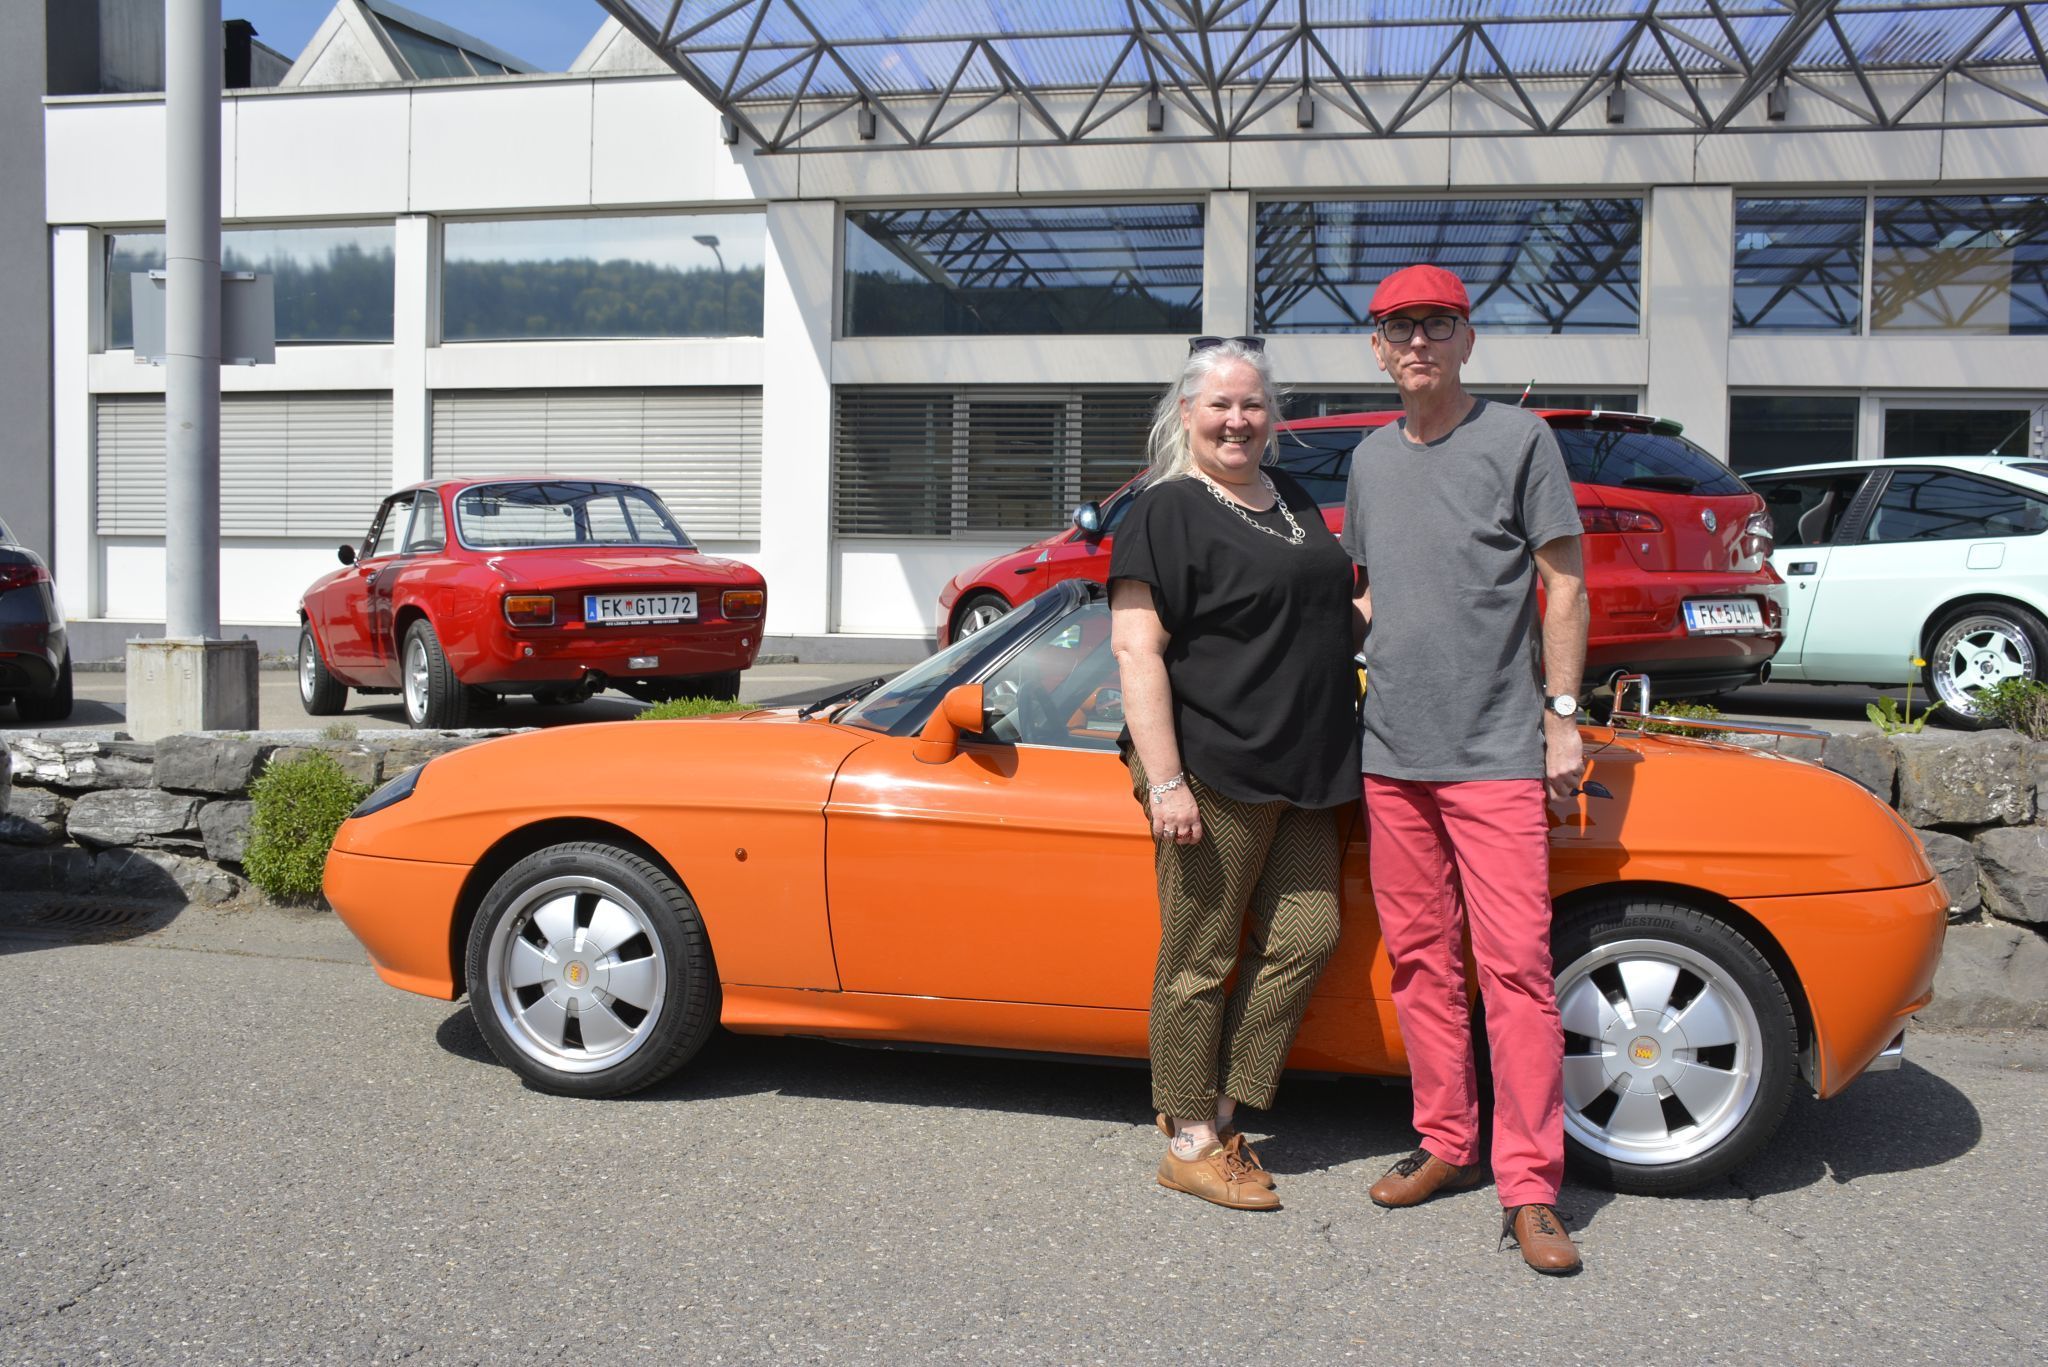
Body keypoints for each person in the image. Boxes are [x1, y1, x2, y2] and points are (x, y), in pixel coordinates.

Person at [1341, 265, 1590, 1274]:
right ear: (1376, 346)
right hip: (1392, 752)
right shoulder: (1365, 459)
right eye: (1399, 328)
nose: (1417, 344)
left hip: (1492, 749)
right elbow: (1367, 599)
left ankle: (1529, 1183)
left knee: (1516, 971)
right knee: (1419, 961)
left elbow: (1562, 583)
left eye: (1435, 325)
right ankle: (1446, 1139)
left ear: (1465, 338)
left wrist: (1562, 717)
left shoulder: (1517, 440)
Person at [1108, 335, 1361, 1211]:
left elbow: (1328, 611)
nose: (1237, 419)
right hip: (1213, 762)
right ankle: (1184, 1136)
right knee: (1199, 954)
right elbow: (1137, 646)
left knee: (1308, 934)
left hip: (1306, 763)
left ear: (1273, 416)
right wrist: (1167, 779)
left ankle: (1220, 1111)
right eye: (1219, 404)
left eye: (1252, 404)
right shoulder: (1163, 509)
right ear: (1187, 414)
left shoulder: (1289, 495)